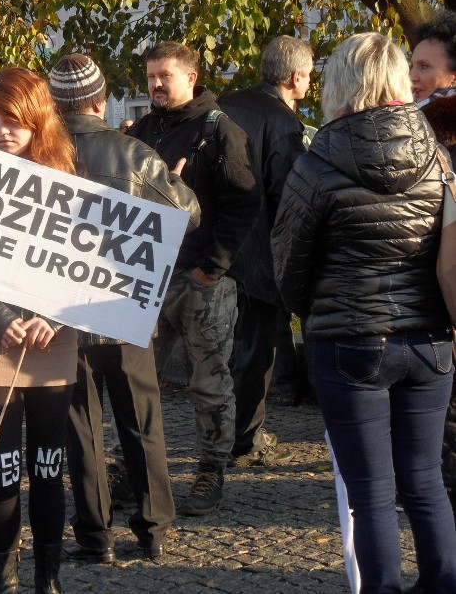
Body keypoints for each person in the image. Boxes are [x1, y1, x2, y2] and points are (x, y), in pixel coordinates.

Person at [272, 32, 456, 594]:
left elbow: (288, 260)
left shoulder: (319, 158)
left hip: (348, 338)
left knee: (371, 489)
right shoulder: (438, 156)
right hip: (429, 339)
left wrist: (314, 315)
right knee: (426, 481)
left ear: (340, 83)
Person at [47, 53, 200, 563]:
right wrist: (173, 181)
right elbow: (188, 214)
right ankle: (154, 533)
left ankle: (94, 536)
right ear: (100, 99)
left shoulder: (39, 158)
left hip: (61, 313)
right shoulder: (133, 153)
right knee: (141, 424)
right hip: (124, 307)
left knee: (79, 429)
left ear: (53, 103)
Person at [0, 66, 78, 594]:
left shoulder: (70, 180)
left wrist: (51, 318)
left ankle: (47, 579)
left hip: (54, 341)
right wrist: (2, 320)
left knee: (48, 468)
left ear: (38, 120)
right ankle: (2, 581)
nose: (2, 129)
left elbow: (89, 270)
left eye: (13, 119)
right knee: (3, 471)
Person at [128, 41, 259, 515]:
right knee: (138, 377)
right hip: (147, 278)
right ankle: (133, 464)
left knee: (209, 380)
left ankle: (211, 468)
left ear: (191, 76)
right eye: (150, 77)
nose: (156, 84)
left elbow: (243, 204)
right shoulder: (143, 129)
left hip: (201, 281)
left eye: (164, 75)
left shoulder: (220, 130)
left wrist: (213, 267)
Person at [218, 35, 313, 466]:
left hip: (216, 248)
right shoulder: (285, 123)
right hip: (258, 255)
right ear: (295, 77)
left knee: (219, 349)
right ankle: (243, 438)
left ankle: (219, 432)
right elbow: (288, 195)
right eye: (308, 76)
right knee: (255, 352)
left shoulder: (225, 104)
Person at [411, 9, 456, 520]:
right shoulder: (421, 127)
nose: (414, 75)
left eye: (425, 66)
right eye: (412, 65)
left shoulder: (433, 133)